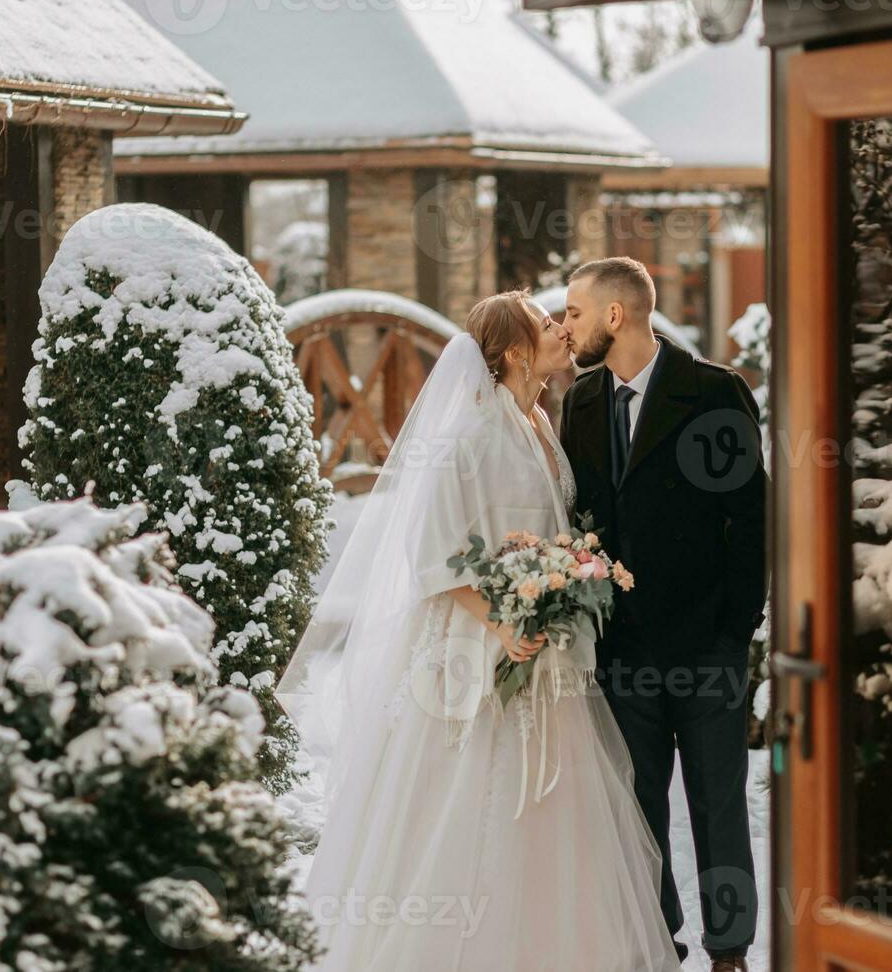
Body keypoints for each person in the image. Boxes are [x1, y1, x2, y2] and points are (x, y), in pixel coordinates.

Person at [277, 291, 682, 972]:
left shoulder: (537, 425)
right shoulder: (464, 438)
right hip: (477, 654)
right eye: (545, 325)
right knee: (465, 807)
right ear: (515, 352)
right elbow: (433, 557)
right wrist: (507, 620)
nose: (560, 329)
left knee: (559, 809)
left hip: (545, 656)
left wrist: (567, 581)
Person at [560, 258, 768, 972]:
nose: (567, 327)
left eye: (575, 313)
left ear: (616, 316)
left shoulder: (714, 392)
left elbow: (751, 518)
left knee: (719, 808)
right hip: (621, 650)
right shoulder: (580, 402)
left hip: (707, 645)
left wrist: (733, 630)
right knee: (637, 805)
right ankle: (660, 941)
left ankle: (730, 952)